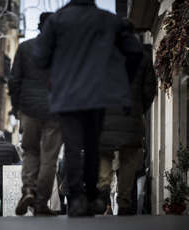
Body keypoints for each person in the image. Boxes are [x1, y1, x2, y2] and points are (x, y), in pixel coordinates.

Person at [32, 0, 144, 217]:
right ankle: (92, 198)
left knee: (73, 146)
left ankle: (77, 199)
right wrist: (122, 80)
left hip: (67, 94)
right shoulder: (108, 19)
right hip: (98, 92)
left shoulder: (57, 21)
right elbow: (135, 51)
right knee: (93, 144)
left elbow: (39, 57)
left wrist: (56, 74)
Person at [97, 16, 157, 215]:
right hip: (131, 117)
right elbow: (150, 91)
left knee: (105, 155)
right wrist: (139, 109)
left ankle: (104, 186)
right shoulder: (143, 57)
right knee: (128, 160)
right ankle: (123, 202)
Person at [8, 12, 63, 216]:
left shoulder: (25, 48)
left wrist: (16, 107)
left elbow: (14, 80)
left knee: (30, 150)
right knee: (50, 157)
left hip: (29, 109)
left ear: (39, 27)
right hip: (55, 111)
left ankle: (29, 189)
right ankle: (40, 203)